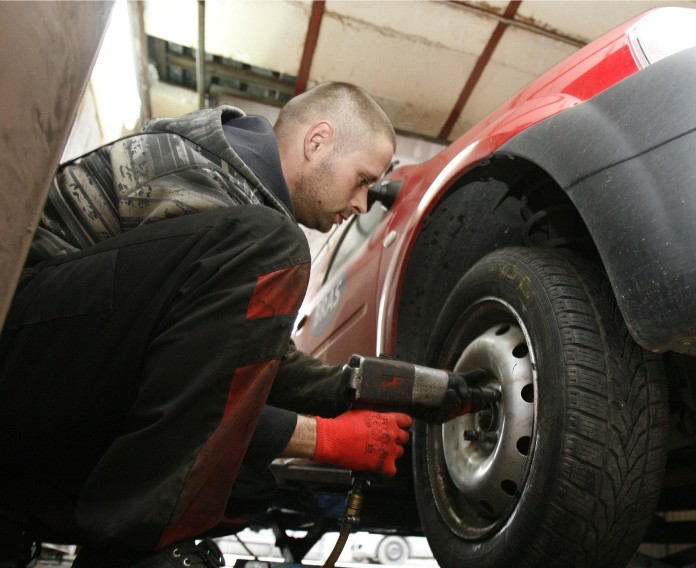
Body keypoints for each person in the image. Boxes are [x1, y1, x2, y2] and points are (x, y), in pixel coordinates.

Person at [0, 82, 441, 567]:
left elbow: (230, 366)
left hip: (67, 379)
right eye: (362, 179)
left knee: (244, 482)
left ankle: (64, 525)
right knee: (271, 243)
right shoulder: (205, 179)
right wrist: (327, 439)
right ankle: (131, 551)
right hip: (19, 348)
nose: (361, 204)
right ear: (316, 142)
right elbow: (196, 384)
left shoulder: (240, 204)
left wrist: (355, 387)